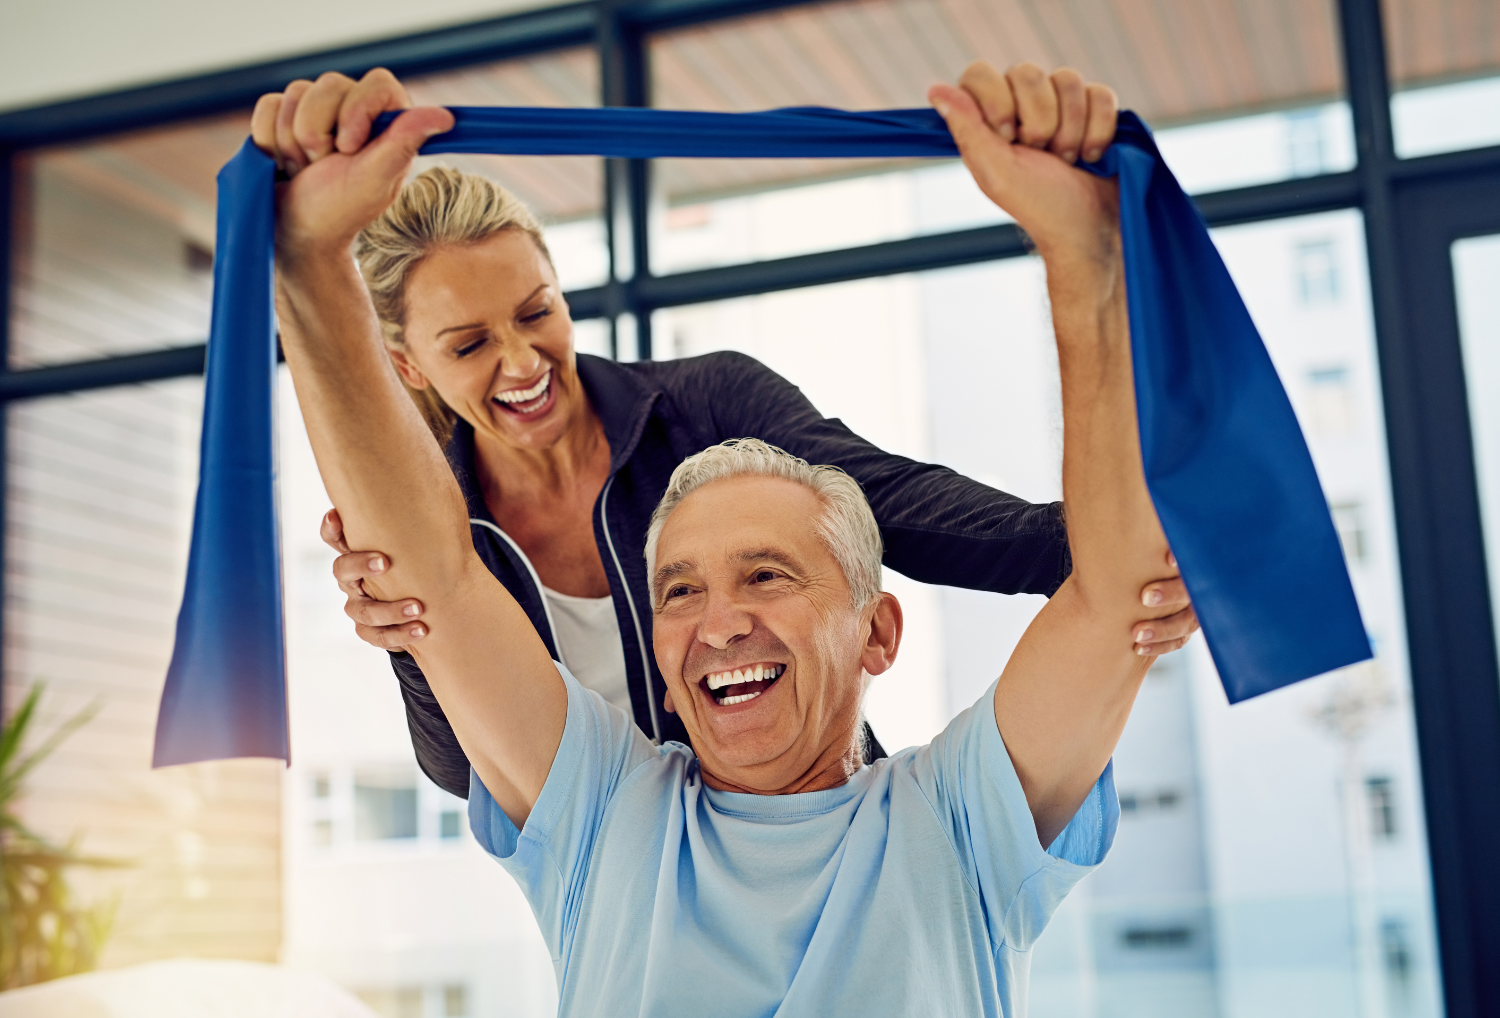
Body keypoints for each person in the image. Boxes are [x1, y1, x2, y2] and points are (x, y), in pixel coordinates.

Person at [267, 56, 1183, 1015]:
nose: (719, 622)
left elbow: (1002, 548)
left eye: (767, 573)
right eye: (679, 590)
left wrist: (1090, 253)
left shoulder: (952, 823)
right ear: (411, 367)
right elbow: (436, 591)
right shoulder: (606, 815)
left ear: (878, 630)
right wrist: (308, 267)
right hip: (610, 812)